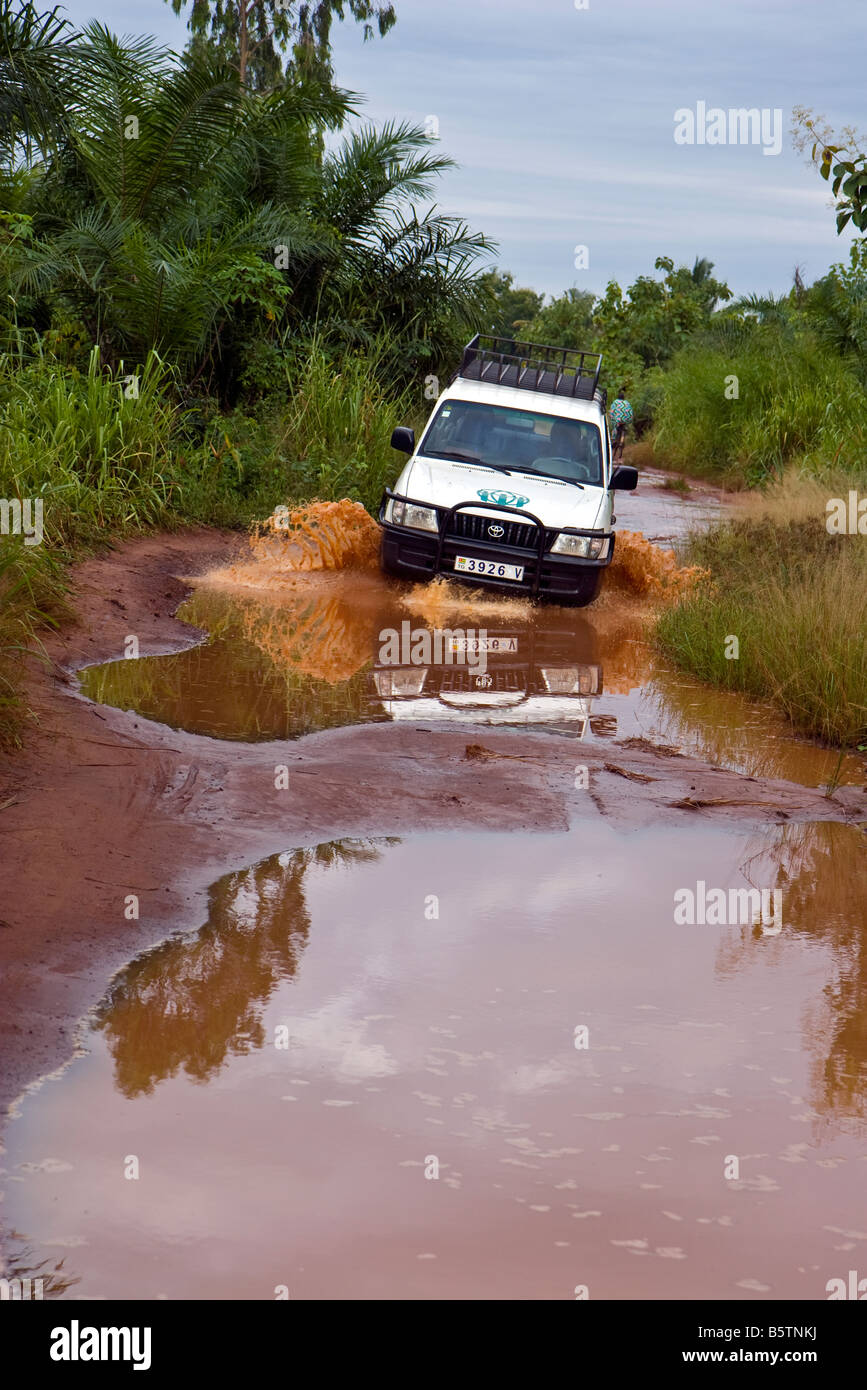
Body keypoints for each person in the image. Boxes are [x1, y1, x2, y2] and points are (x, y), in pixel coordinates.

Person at [609, 388, 633, 462]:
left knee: (615, 427)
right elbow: (630, 412)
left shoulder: (615, 402)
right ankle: (622, 441)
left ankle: (614, 439)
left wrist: (612, 418)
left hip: (617, 420)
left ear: (618, 397)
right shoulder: (627, 403)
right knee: (624, 430)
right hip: (624, 420)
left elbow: (612, 412)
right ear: (623, 398)